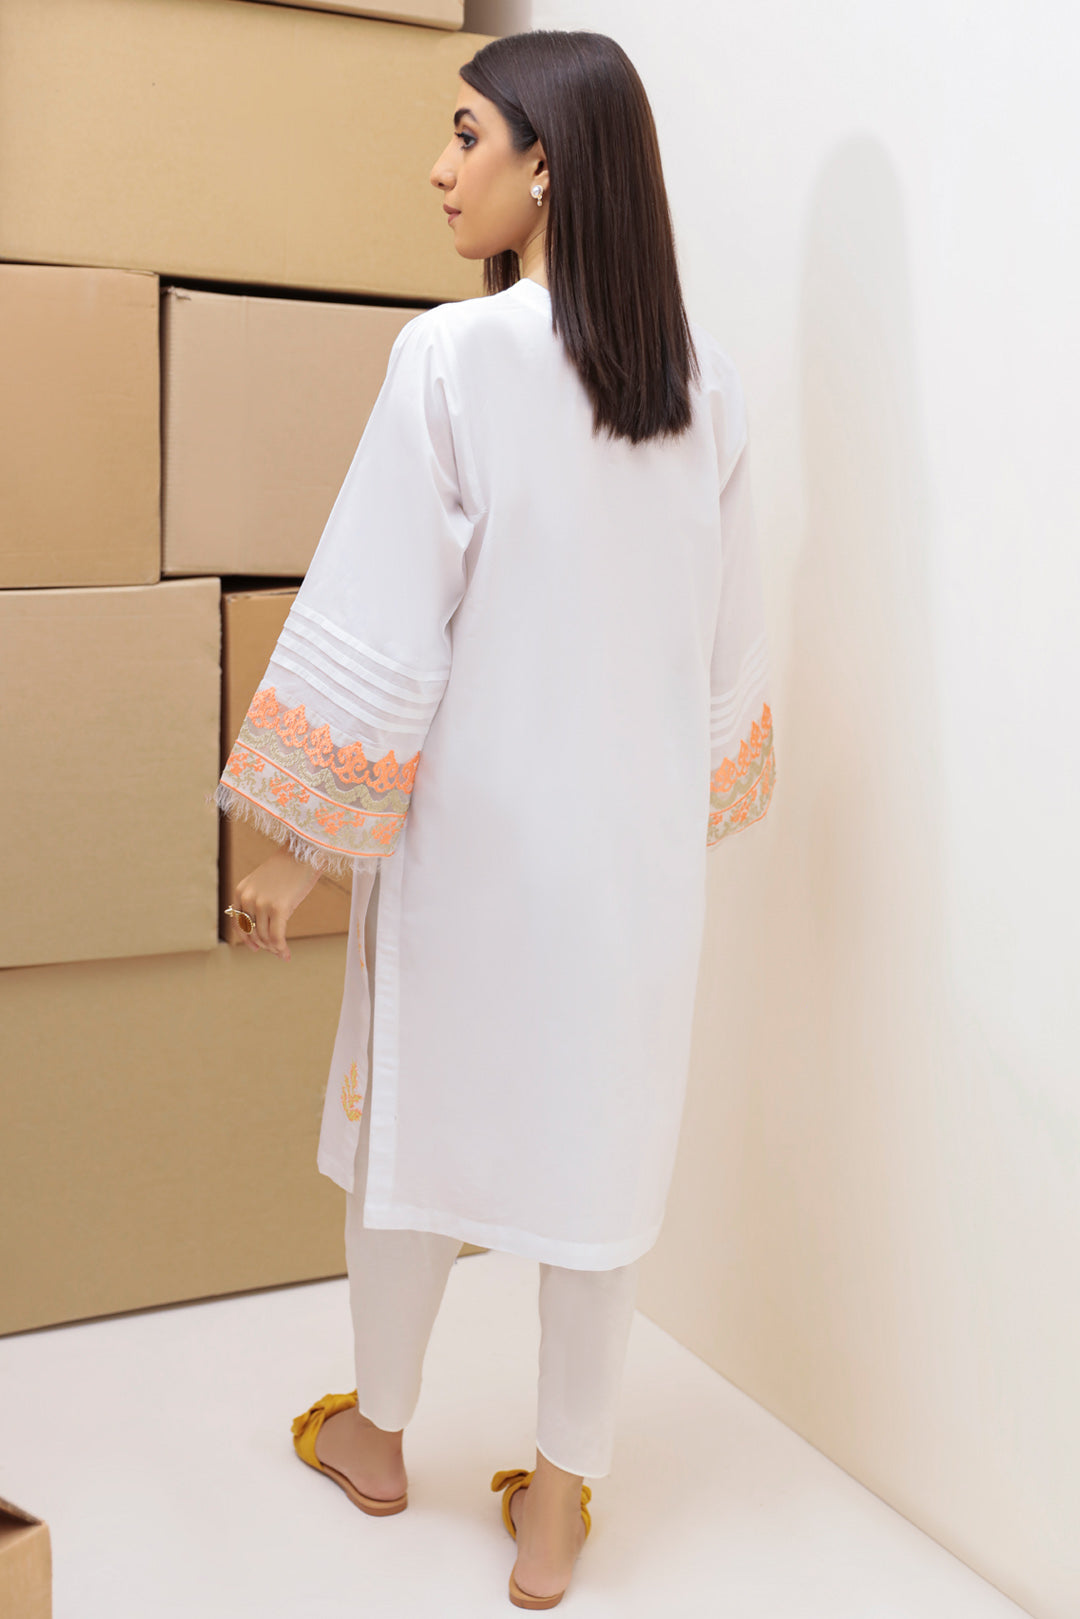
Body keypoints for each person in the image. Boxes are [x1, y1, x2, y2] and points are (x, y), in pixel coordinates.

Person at [211, 28, 776, 1611]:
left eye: (467, 135)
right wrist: (675, 808)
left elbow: (389, 622)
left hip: (471, 853)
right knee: (598, 1176)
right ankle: (556, 1511)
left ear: (548, 161)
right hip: (634, 870)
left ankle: (378, 1438)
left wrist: (299, 852)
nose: (438, 168)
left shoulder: (454, 360)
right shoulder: (708, 388)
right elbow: (726, 655)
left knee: (413, 1132)